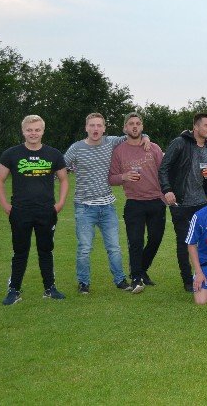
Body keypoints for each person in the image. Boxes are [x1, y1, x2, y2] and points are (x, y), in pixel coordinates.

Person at [0, 115, 69, 305]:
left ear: (43, 131)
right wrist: (5, 205)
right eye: (29, 130)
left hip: (46, 211)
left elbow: (64, 180)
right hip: (20, 211)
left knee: (46, 250)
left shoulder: (53, 154)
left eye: (37, 130)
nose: (33, 133)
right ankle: (14, 290)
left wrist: (60, 203)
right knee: (20, 251)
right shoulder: (11, 154)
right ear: (23, 131)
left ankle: (50, 288)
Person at [65, 112, 138, 294]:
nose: (95, 129)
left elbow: (134, 134)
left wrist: (145, 137)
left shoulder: (110, 142)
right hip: (84, 207)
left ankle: (120, 280)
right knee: (84, 248)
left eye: (99, 125)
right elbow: (60, 167)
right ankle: (83, 283)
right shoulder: (76, 148)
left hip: (107, 206)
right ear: (86, 128)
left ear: (104, 128)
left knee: (114, 247)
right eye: (92, 125)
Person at [158, 112, 207, 292]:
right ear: (196, 127)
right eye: (206, 125)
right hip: (181, 202)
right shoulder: (180, 143)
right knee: (185, 242)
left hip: (202, 203)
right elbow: (163, 168)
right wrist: (167, 190)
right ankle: (187, 281)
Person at [108, 112, 166, 289]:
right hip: (134, 202)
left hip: (156, 201)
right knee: (135, 242)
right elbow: (111, 178)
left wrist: (166, 195)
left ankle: (141, 270)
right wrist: (124, 176)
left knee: (155, 239)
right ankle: (136, 278)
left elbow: (164, 172)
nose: (134, 126)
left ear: (142, 127)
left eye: (138, 123)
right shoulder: (119, 151)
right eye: (131, 123)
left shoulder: (153, 148)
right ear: (125, 128)